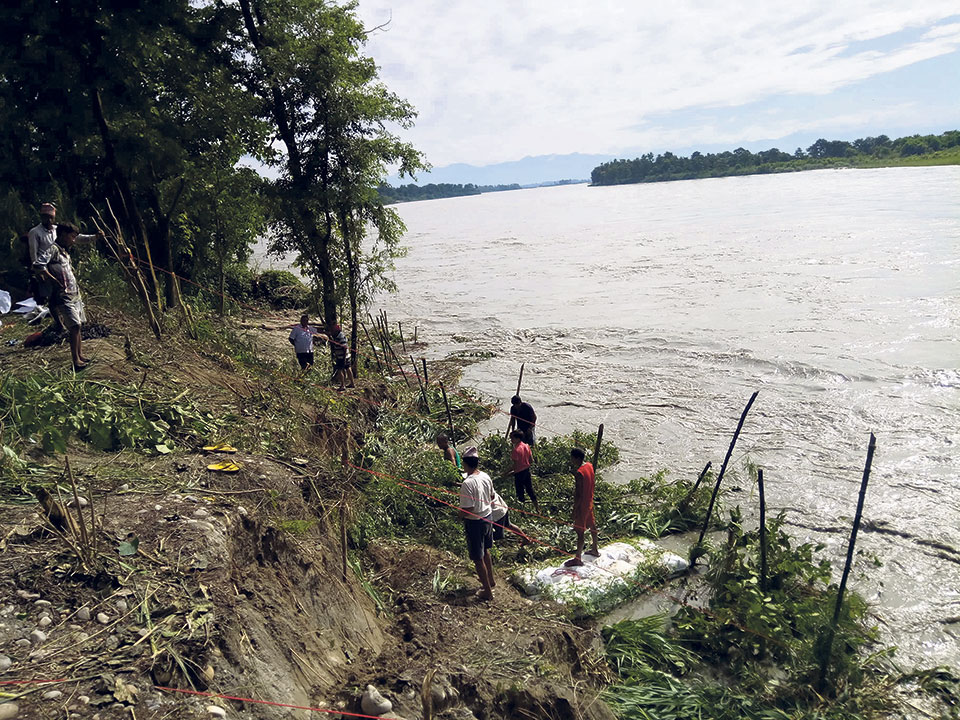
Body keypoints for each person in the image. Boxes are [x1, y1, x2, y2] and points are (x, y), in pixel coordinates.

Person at [35, 224, 90, 370]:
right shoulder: (53, 249)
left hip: (74, 293)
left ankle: (80, 354)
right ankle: (75, 361)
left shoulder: (65, 251)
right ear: (63, 234)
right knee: (74, 326)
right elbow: (38, 264)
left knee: (79, 326)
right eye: (72, 237)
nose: (73, 240)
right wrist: (51, 279)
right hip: (63, 294)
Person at [458, 447, 495, 600]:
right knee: (486, 550)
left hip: (475, 523)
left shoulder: (467, 483)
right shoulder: (485, 476)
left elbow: (468, 509)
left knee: (477, 558)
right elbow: (492, 496)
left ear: (466, 464)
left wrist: (458, 514)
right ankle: (491, 581)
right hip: (488, 517)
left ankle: (487, 592)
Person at [564, 447, 599, 567]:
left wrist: (574, 510)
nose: (571, 460)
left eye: (572, 458)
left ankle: (578, 558)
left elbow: (578, 494)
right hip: (589, 500)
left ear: (577, 458)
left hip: (582, 504)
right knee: (592, 525)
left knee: (580, 531)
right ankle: (595, 549)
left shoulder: (579, 473)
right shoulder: (589, 465)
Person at [509, 429, 540, 512]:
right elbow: (531, 460)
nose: (511, 440)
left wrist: (506, 472)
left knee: (520, 493)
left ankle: (523, 512)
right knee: (530, 490)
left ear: (518, 438)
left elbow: (515, 465)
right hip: (527, 471)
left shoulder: (516, 450)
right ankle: (537, 509)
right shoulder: (526, 446)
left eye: (512, 438)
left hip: (519, 474)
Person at [328, 322, 355, 390]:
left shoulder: (340, 337)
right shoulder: (339, 335)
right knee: (348, 368)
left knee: (340, 370)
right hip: (345, 356)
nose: (332, 331)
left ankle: (343, 385)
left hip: (342, 356)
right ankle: (352, 383)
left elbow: (344, 347)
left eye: (333, 330)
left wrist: (343, 358)